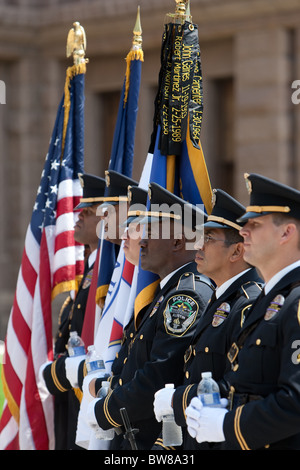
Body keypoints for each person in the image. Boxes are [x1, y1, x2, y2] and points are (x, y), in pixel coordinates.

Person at [85, 183, 214, 450]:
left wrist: (104, 411)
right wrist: (107, 387)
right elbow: (132, 368)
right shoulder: (164, 292)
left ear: (178, 241)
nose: (141, 240)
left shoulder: (185, 296)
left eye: (151, 233)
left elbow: (157, 376)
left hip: (156, 441)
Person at [186, 173, 300, 450]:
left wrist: (227, 425)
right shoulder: (270, 301)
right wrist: (208, 401)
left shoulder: (295, 303)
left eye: (255, 224)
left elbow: (295, 403)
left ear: (287, 233)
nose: (244, 230)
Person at [153, 189, 263, 450]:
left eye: (209, 238)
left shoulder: (247, 303)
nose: (198, 245)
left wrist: (176, 399)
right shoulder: (221, 300)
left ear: (236, 252)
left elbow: (235, 386)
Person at [41, 173, 106, 450]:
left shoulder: (105, 276)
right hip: (71, 393)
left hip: (87, 394)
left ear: (105, 219)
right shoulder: (90, 274)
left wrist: (52, 374)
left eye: (88, 212)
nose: (78, 216)